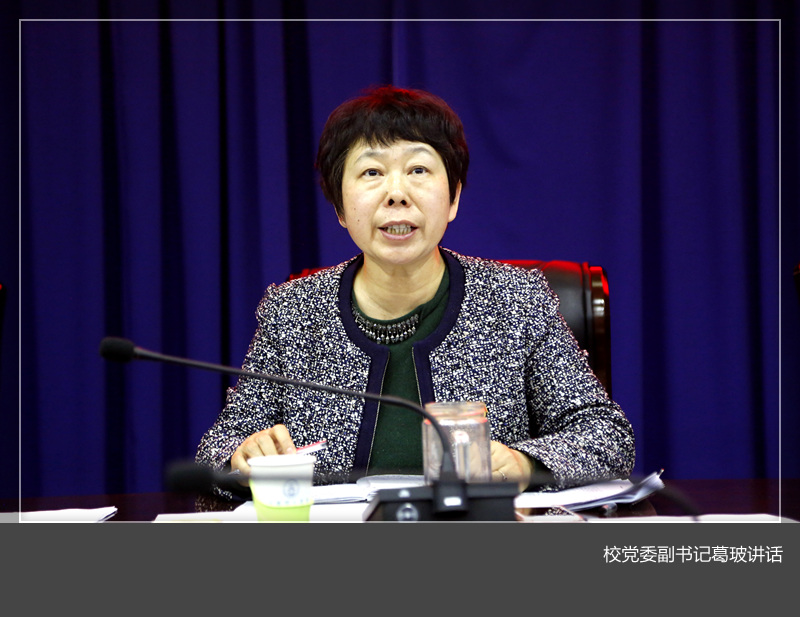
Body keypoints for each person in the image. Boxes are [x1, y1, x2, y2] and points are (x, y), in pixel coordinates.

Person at [196, 85, 635, 497]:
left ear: (453, 197)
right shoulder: (292, 312)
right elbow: (216, 452)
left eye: (418, 170)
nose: (396, 193)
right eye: (371, 172)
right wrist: (241, 458)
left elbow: (607, 436)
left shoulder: (517, 300)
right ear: (339, 207)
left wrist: (525, 464)